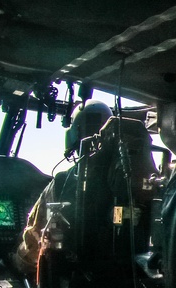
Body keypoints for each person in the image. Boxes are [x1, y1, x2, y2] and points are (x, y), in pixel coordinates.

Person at [11, 99, 113, 278]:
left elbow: (34, 243)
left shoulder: (63, 182)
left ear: (73, 136)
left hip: (73, 283)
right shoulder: (133, 182)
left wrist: (14, 261)